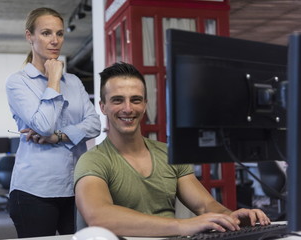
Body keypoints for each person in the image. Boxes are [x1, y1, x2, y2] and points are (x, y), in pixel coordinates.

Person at [74, 62, 271, 237]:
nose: (128, 108)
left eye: (135, 100)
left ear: (145, 104)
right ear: (103, 106)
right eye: (118, 100)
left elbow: (204, 205)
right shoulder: (93, 160)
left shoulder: (168, 153)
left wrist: (231, 216)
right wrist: (183, 226)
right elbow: (99, 216)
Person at [5, 7, 101, 238]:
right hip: (34, 190)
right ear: (30, 36)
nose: (55, 40)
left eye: (59, 34)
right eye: (46, 33)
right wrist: (54, 80)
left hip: (76, 185)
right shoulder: (18, 82)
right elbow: (44, 125)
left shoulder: (75, 81)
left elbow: (95, 124)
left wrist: (58, 136)